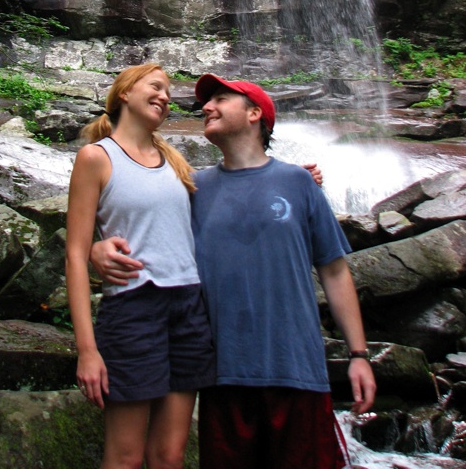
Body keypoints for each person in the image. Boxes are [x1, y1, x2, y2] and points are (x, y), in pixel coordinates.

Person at [91, 73, 376, 469]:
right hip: (222, 375)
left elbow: (334, 271)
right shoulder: (191, 187)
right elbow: (143, 221)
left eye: (221, 99)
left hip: (297, 370)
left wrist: (359, 354)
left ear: (255, 113)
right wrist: (96, 246)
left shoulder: (299, 182)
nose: (205, 107)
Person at [65, 63, 217, 469]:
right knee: (126, 458)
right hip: (134, 307)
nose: (166, 97)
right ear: (125, 93)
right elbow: (76, 257)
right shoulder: (96, 157)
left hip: (189, 308)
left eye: (169, 92)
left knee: (169, 457)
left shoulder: (176, 163)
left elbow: (234, 186)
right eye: (156, 86)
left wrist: (298, 176)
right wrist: (87, 350)